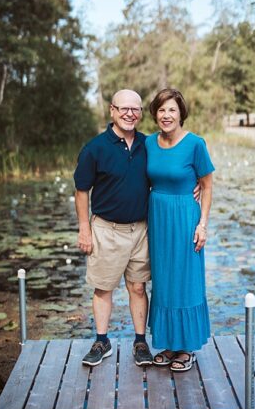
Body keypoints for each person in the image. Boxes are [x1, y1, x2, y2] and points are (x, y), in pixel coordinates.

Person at [74, 89, 153, 368]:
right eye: (124, 108)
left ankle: (140, 342)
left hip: (141, 230)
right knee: (103, 288)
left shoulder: (149, 145)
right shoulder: (95, 148)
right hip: (106, 229)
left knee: (138, 287)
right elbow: (81, 191)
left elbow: (172, 168)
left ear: (141, 113)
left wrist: (195, 184)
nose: (130, 113)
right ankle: (102, 340)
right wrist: (84, 229)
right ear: (112, 110)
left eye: (136, 109)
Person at [146, 88, 214, 372]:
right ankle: (169, 344)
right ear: (155, 114)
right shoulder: (148, 143)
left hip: (186, 218)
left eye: (171, 109)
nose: (166, 115)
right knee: (163, 280)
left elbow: (207, 186)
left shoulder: (195, 144)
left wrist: (203, 224)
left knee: (185, 279)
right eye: (161, 110)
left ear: (181, 113)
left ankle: (186, 348)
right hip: (158, 219)